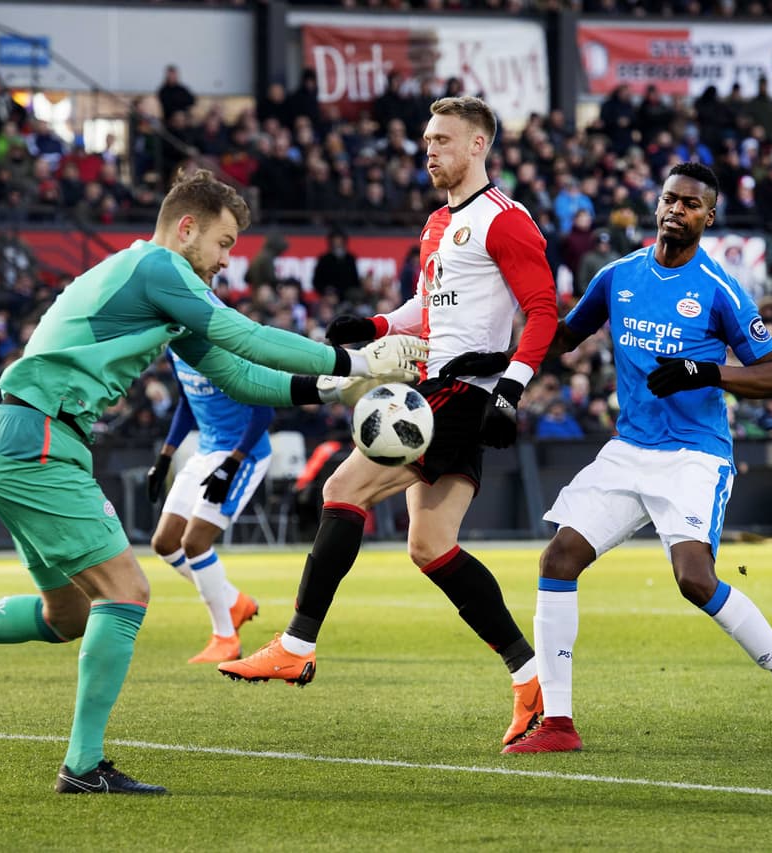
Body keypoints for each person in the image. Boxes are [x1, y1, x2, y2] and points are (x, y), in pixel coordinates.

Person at [0, 169, 427, 795]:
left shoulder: (152, 283)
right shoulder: (161, 270)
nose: (224, 261)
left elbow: (240, 379)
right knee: (127, 593)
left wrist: (332, 388)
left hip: (23, 439)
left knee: (67, 615)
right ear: (186, 228)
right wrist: (352, 360)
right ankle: (81, 767)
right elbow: (246, 335)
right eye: (223, 243)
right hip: (39, 440)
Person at [217, 96, 560, 750]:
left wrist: (510, 390)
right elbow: (428, 308)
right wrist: (375, 325)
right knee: (429, 544)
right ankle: (530, 675)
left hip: (464, 390)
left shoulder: (506, 220)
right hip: (439, 384)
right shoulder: (437, 223)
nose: (428, 150)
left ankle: (296, 644)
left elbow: (543, 310)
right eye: (426, 140)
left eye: (442, 139)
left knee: (342, 488)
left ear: (479, 145)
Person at [503, 163, 772, 756]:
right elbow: (562, 338)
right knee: (558, 559)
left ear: (709, 217)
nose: (675, 210)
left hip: (693, 456)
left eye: (690, 204)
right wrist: (504, 330)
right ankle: (558, 723)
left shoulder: (720, 287)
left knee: (693, 579)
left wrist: (705, 370)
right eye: (668, 200)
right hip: (629, 449)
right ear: (656, 206)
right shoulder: (618, 275)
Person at [147, 351, 272, 663]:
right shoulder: (176, 348)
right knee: (164, 543)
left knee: (195, 542)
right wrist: (165, 455)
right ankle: (233, 601)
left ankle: (225, 636)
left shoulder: (227, 343)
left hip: (244, 454)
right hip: (206, 451)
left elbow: (264, 412)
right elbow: (187, 404)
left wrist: (233, 462)